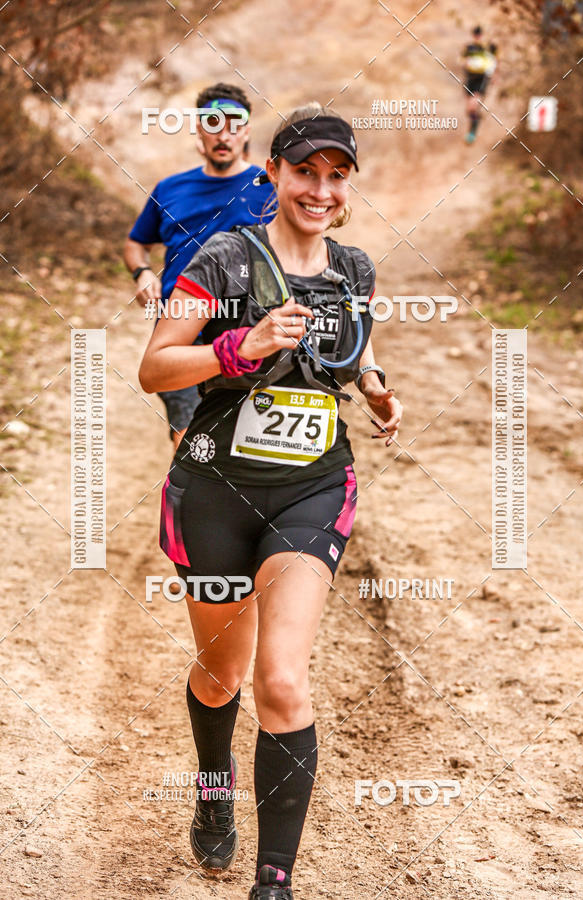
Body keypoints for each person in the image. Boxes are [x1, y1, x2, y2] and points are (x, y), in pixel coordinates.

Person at [139, 102, 402, 898]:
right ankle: (213, 785)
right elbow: (156, 367)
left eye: (337, 176)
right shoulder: (224, 258)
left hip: (311, 488)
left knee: (281, 681)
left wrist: (375, 386)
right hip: (215, 490)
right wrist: (237, 345)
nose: (321, 189)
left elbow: (352, 348)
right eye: (305, 172)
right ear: (274, 175)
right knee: (221, 675)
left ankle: (274, 883)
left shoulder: (353, 269)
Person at [124, 82, 274, 448]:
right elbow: (135, 243)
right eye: (212, 124)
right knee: (193, 446)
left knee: (249, 446)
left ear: (246, 131)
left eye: (233, 125)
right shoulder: (169, 189)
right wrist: (142, 272)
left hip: (249, 327)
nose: (223, 135)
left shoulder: (270, 188)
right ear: (198, 130)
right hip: (181, 330)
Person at [461, 26, 498, 144]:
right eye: (476, 35)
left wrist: (494, 75)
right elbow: (463, 60)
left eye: (479, 35)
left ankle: (472, 132)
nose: (477, 37)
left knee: (473, 104)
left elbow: (495, 60)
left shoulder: (489, 47)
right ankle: (475, 120)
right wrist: (466, 63)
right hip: (470, 77)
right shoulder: (469, 47)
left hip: (482, 78)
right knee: (470, 109)